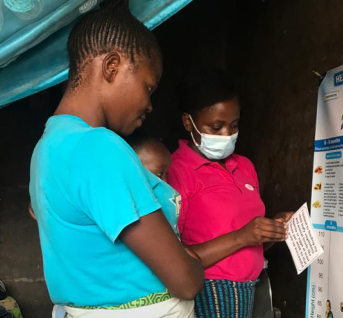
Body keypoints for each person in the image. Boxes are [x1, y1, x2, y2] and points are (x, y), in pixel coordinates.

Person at [29, 1, 203, 317]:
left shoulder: (47, 147)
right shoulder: (97, 146)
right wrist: (193, 265)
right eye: (148, 87)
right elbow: (185, 283)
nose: (149, 105)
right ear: (112, 66)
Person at [168, 69, 294, 318]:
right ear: (187, 122)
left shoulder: (245, 166)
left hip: (252, 291)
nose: (227, 134)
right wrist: (243, 235)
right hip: (210, 296)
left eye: (234, 125)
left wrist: (272, 229)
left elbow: (252, 243)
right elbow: (173, 259)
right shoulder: (175, 171)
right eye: (216, 126)